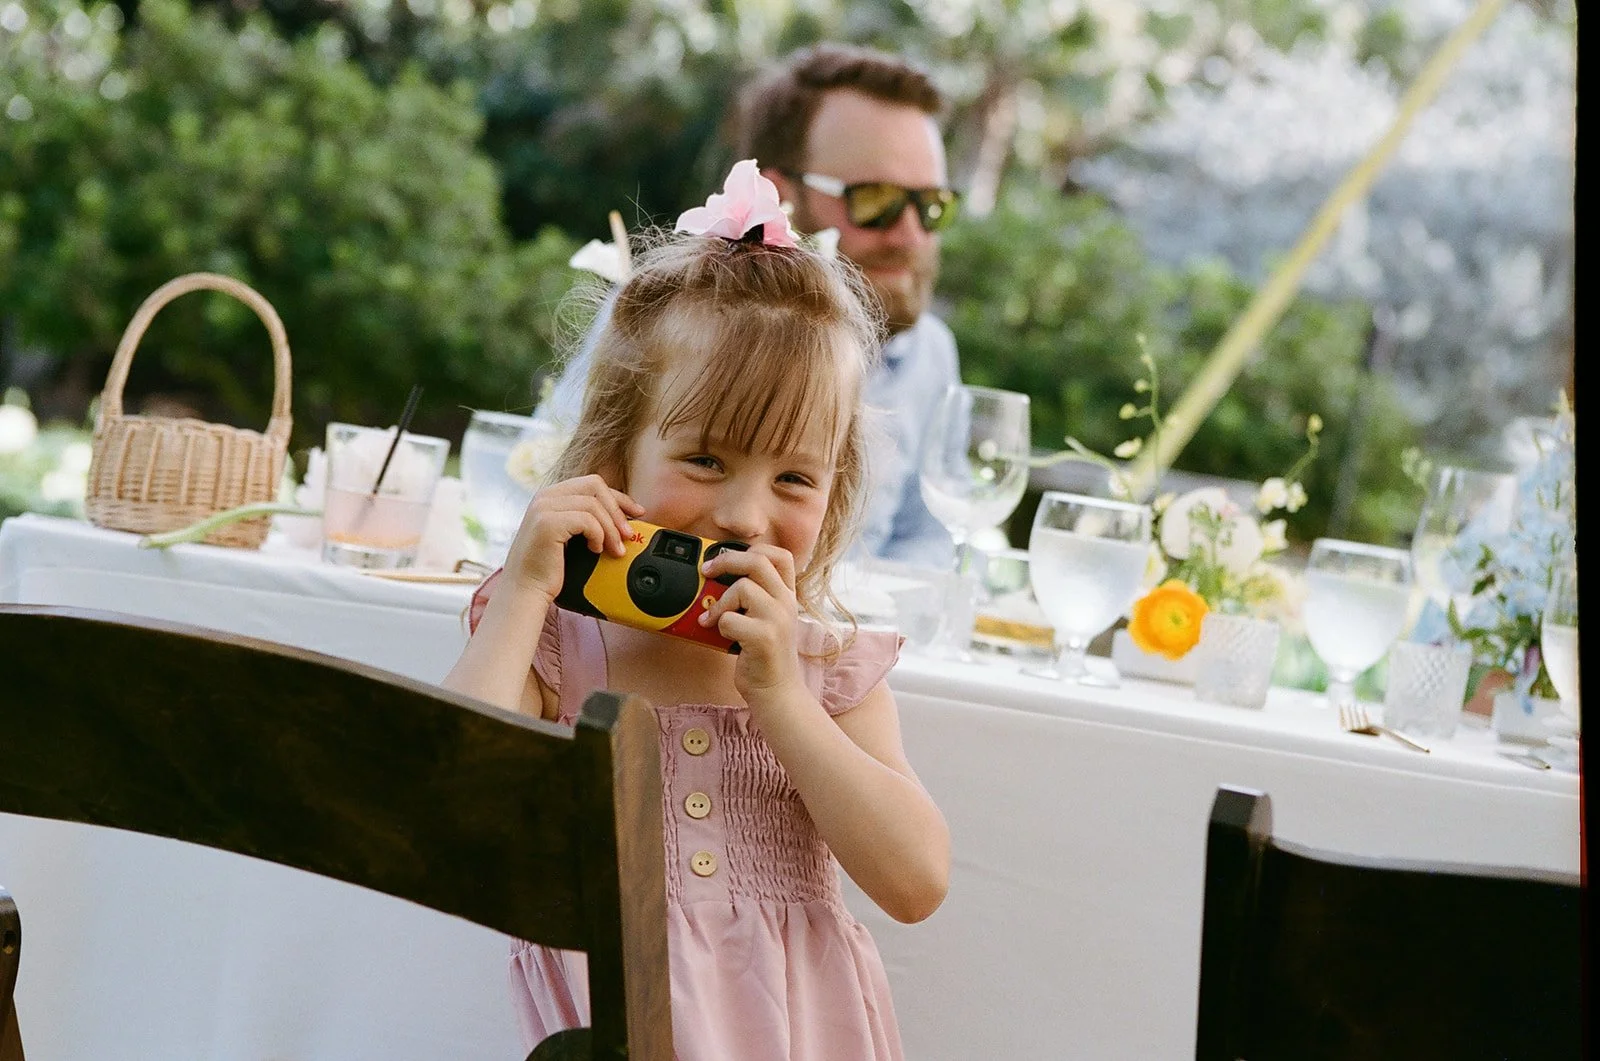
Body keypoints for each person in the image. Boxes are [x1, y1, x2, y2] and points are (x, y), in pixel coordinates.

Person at [447, 162, 950, 1061]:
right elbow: (451, 807)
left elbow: (915, 882)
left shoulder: (828, 672)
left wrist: (784, 704)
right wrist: (525, 589)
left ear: (833, 499)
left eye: (793, 477)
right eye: (706, 461)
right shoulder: (556, 643)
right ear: (615, 450)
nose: (746, 514)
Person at [538, 43, 963, 569]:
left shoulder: (932, 355)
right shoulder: (669, 322)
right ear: (778, 193)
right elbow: (552, 488)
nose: (910, 233)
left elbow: (931, 537)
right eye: (875, 200)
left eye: (933, 206)